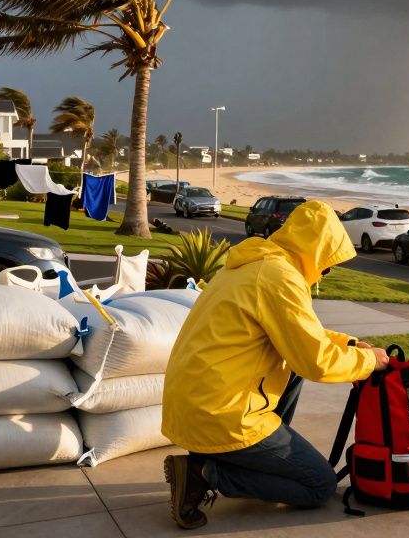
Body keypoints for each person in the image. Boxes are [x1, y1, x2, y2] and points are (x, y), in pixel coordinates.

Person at [162, 199, 390, 529]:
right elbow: (315, 362)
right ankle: (205, 473)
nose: (325, 272)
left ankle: (237, 457)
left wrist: (350, 345)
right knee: (319, 485)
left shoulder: (253, 263)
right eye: (327, 264)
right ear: (314, 252)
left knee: (291, 368)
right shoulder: (279, 278)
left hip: (193, 405)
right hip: (222, 415)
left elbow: (299, 333)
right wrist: (369, 361)